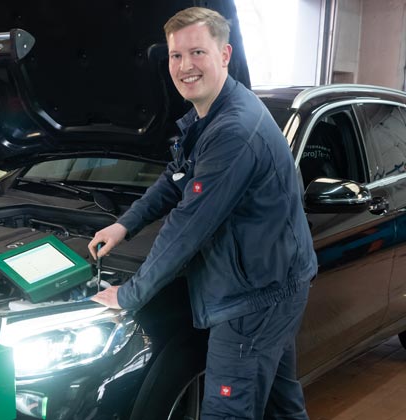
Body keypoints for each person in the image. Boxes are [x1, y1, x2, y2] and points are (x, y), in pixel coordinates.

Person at [87, 7, 317, 420]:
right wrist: (125, 224)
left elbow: (186, 227)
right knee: (281, 406)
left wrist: (129, 294)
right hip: (275, 280)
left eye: (197, 52)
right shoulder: (208, 114)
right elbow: (175, 177)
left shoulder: (233, 131)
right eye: (176, 55)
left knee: (227, 410)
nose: (185, 66)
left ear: (225, 54)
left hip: (252, 298)